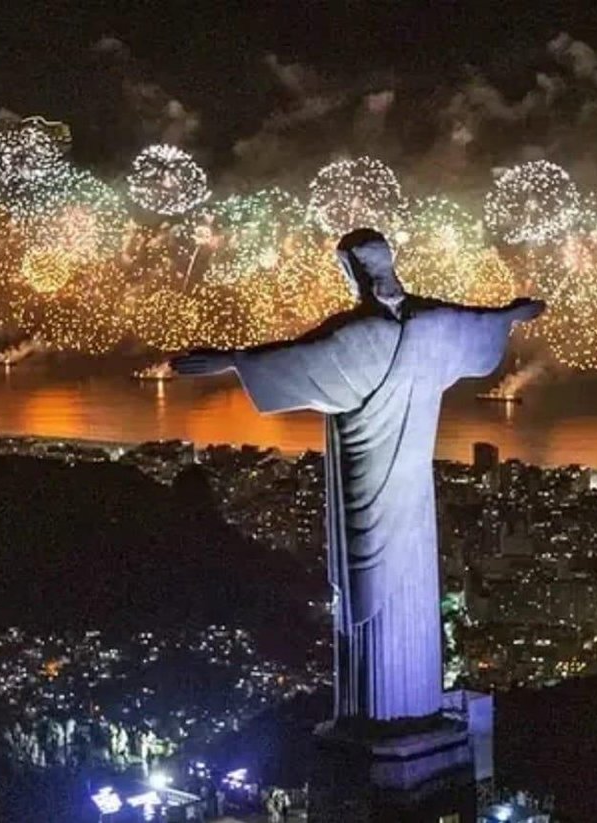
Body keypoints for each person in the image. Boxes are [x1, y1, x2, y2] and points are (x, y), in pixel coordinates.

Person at [172, 228, 544, 723]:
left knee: (367, 595)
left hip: (365, 483)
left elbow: (294, 361)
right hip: (414, 494)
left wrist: (232, 361)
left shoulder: (356, 336)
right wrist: (511, 316)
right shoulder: (433, 323)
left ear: (350, 272)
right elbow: (477, 324)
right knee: (409, 586)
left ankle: (376, 718)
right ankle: (414, 709)